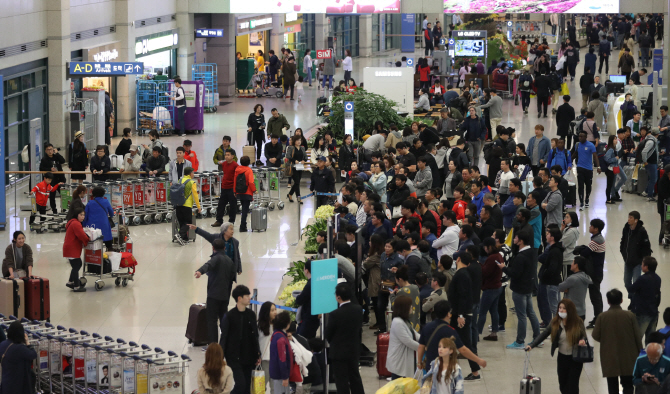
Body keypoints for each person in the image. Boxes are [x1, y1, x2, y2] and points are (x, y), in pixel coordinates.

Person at [526, 299, 588, 394]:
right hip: (562, 357)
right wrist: (532, 345)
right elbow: (544, 334)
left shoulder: (578, 322)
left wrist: (582, 340)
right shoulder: (555, 322)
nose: (561, 310)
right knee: (563, 384)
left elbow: (584, 335)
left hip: (575, 358)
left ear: (570, 310)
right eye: (560, 308)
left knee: (573, 385)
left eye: (564, 308)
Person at [594, 288, 643, 394]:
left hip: (609, 356)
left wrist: (606, 339)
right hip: (628, 356)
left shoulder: (602, 317)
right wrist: (640, 352)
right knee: (628, 386)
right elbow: (637, 336)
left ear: (608, 301)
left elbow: (595, 335)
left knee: (612, 387)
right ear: (621, 300)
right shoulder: (630, 316)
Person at [417, 300, 487, 373]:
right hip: (444, 369)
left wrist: (419, 362)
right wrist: (478, 360)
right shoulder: (450, 331)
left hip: (430, 367)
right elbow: (463, 350)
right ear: (448, 314)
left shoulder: (427, 326)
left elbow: (421, 346)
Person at [220, 285, 261, 394]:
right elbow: (224, 337)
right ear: (239, 298)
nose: (249, 298)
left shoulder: (251, 315)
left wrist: (258, 354)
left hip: (249, 357)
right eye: (247, 295)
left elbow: (255, 336)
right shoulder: (229, 316)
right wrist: (221, 357)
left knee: (247, 387)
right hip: (234, 357)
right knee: (241, 384)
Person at [504, 231, 541, 350]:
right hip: (528, 286)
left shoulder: (521, 256)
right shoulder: (531, 252)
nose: (514, 239)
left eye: (515, 237)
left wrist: (503, 268)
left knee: (522, 315)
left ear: (521, 241)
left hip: (519, 288)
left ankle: (520, 341)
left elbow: (515, 273)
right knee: (531, 312)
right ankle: (537, 338)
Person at [195, 238, 237, 344]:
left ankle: (213, 345)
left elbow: (208, 265)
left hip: (213, 296)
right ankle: (226, 342)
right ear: (224, 248)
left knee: (212, 321)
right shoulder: (229, 261)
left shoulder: (216, 258)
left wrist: (200, 271)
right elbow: (232, 276)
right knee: (223, 320)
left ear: (213, 248)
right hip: (225, 296)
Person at [326, 283, 364, 394]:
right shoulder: (358, 309)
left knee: (341, 381)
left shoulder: (334, 314)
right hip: (354, 350)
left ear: (338, 297)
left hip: (338, 353)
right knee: (355, 378)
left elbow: (329, 334)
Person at [628, 256, 662, 345]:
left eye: (642, 264)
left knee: (637, 338)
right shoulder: (658, 278)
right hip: (654, 312)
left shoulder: (642, 279)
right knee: (650, 339)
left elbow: (631, 289)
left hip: (643, 312)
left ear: (646, 267)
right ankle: (649, 355)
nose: (641, 266)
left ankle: (637, 357)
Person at [620, 211, 653, 298]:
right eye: (628, 217)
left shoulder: (642, 231)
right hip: (627, 261)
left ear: (636, 220)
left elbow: (647, 246)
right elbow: (623, 241)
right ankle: (632, 298)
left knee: (636, 283)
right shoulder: (626, 228)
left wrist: (644, 260)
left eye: (631, 217)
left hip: (637, 262)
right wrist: (622, 251)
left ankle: (634, 302)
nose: (628, 219)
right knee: (627, 282)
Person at [0, 320, 38, 393]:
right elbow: (33, 354)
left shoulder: (2, 344)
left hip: (5, 382)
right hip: (18, 383)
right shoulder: (20, 348)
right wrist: (27, 342)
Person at [387, 296, 420, 379]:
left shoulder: (405, 321)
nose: (412, 307)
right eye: (410, 305)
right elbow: (408, 341)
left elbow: (415, 335)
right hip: (399, 361)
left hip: (404, 360)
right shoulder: (397, 322)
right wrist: (423, 347)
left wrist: (426, 339)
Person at [537, 227, 564, 327]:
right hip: (551, 281)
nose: (546, 236)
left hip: (551, 283)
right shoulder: (554, 249)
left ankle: (556, 328)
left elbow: (552, 268)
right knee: (553, 306)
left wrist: (544, 275)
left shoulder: (554, 251)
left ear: (552, 237)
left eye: (548, 234)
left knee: (553, 307)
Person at [572, 131, 601, 210]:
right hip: (580, 168)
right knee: (580, 186)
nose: (580, 138)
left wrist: (598, 167)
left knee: (588, 186)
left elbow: (595, 157)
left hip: (588, 169)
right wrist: (569, 161)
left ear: (586, 137)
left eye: (582, 137)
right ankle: (581, 202)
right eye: (579, 136)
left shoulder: (591, 145)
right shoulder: (577, 145)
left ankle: (587, 198)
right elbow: (575, 154)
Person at [63, 207, 89, 292]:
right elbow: (81, 235)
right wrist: (87, 239)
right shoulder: (76, 224)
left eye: (83, 215)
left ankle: (70, 282)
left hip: (69, 247)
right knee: (77, 265)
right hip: (72, 247)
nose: (83, 217)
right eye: (81, 215)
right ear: (76, 215)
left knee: (76, 265)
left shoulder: (72, 222)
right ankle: (76, 286)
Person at [173, 167, 200, 245]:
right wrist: (198, 206)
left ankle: (185, 239)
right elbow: (195, 195)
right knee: (188, 222)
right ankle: (179, 235)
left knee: (182, 222)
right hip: (187, 205)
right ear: (190, 173)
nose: (193, 174)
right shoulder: (192, 182)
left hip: (178, 205)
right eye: (193, 172)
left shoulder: (180, 180)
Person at [268, 311, 294, 394]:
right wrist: (285, 377)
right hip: (280, 375)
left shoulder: (276, 334)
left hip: (278, 374)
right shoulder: (280, 338)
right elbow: (282, 359)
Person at [212, 149, 238, 227]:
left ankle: (231, 221)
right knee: (221, 204)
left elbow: (237, 178)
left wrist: (235, 190)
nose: (226, 156)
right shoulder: (224, 164)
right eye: (225, 155)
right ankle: (219, 220)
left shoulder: (236, 165)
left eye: (228, 155)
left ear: (232, 156)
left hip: (232, 188)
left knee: (233, 205)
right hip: (224, 187)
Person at [39, 143, 66, 213]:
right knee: (52, 196)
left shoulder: (56, 156)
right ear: (45, 151)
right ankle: (54, 210)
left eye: (51, 149)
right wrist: (49, 169)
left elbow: (63, 161)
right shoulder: (44, 159)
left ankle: (64, 209)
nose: (50, 151)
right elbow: (41, 168)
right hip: (51, 180)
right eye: (48, 150)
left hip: (60, 178)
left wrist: (57, 153)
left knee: (63, 194)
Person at [258, 302, 277, 394]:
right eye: (272, 310)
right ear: (266, 312)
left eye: (275, 309)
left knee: (275, 387)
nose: (275, 312)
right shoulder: (260, 326)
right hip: (264, 360)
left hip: (275, 360)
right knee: (261, 387)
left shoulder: (277, 325)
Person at [234, 156, 256, 233]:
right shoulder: (249, 170)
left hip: (239, 191)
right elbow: (250, 182)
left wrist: (235, 191)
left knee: (244, 208)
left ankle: (243, 225)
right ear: (249, 162)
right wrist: (254, 190)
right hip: (247, 192)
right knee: (245, 209)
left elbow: (235, 181)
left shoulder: (237, 170)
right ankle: (243, 226)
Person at [286, 136, 307, 204]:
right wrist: (294, 160)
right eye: (297, 140)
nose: (299, 141)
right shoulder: (291, 147)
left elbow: (305, 156)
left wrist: (304, 160)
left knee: (297, 182)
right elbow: (288, 156)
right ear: (294, 141)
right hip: (293, 167)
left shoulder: (302, 148)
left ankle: (290, 194)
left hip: (300, 167)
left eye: (300, 140)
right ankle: (299, 197)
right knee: (297, 182)